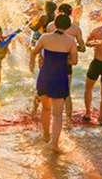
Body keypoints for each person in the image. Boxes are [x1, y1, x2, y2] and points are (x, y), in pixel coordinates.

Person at [31, 14, 78, 151]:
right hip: (60, 77)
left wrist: (31, 63)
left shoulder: (45, 37)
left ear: (55, 25)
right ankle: (54, 144)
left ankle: (46, 135)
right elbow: (74, 61)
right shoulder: (70, 41)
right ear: (68, 26)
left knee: (45, 109)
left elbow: (34, 52)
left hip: (45, 76)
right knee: (57, 114)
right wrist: (63, 60)